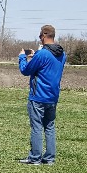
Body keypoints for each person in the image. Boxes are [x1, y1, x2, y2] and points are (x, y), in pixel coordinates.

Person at [18, 24, 67, 165]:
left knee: (37, 127)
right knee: (50, 127)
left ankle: (35, 158)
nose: (40, 38)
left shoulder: (43, 54)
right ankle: (49, 158)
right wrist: (35, 57)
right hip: (53, 96)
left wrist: (22, 57)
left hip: (38, 96)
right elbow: (48, 67)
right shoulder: (62, 54)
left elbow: (25, 70)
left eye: (40, 36)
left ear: (44, 35)